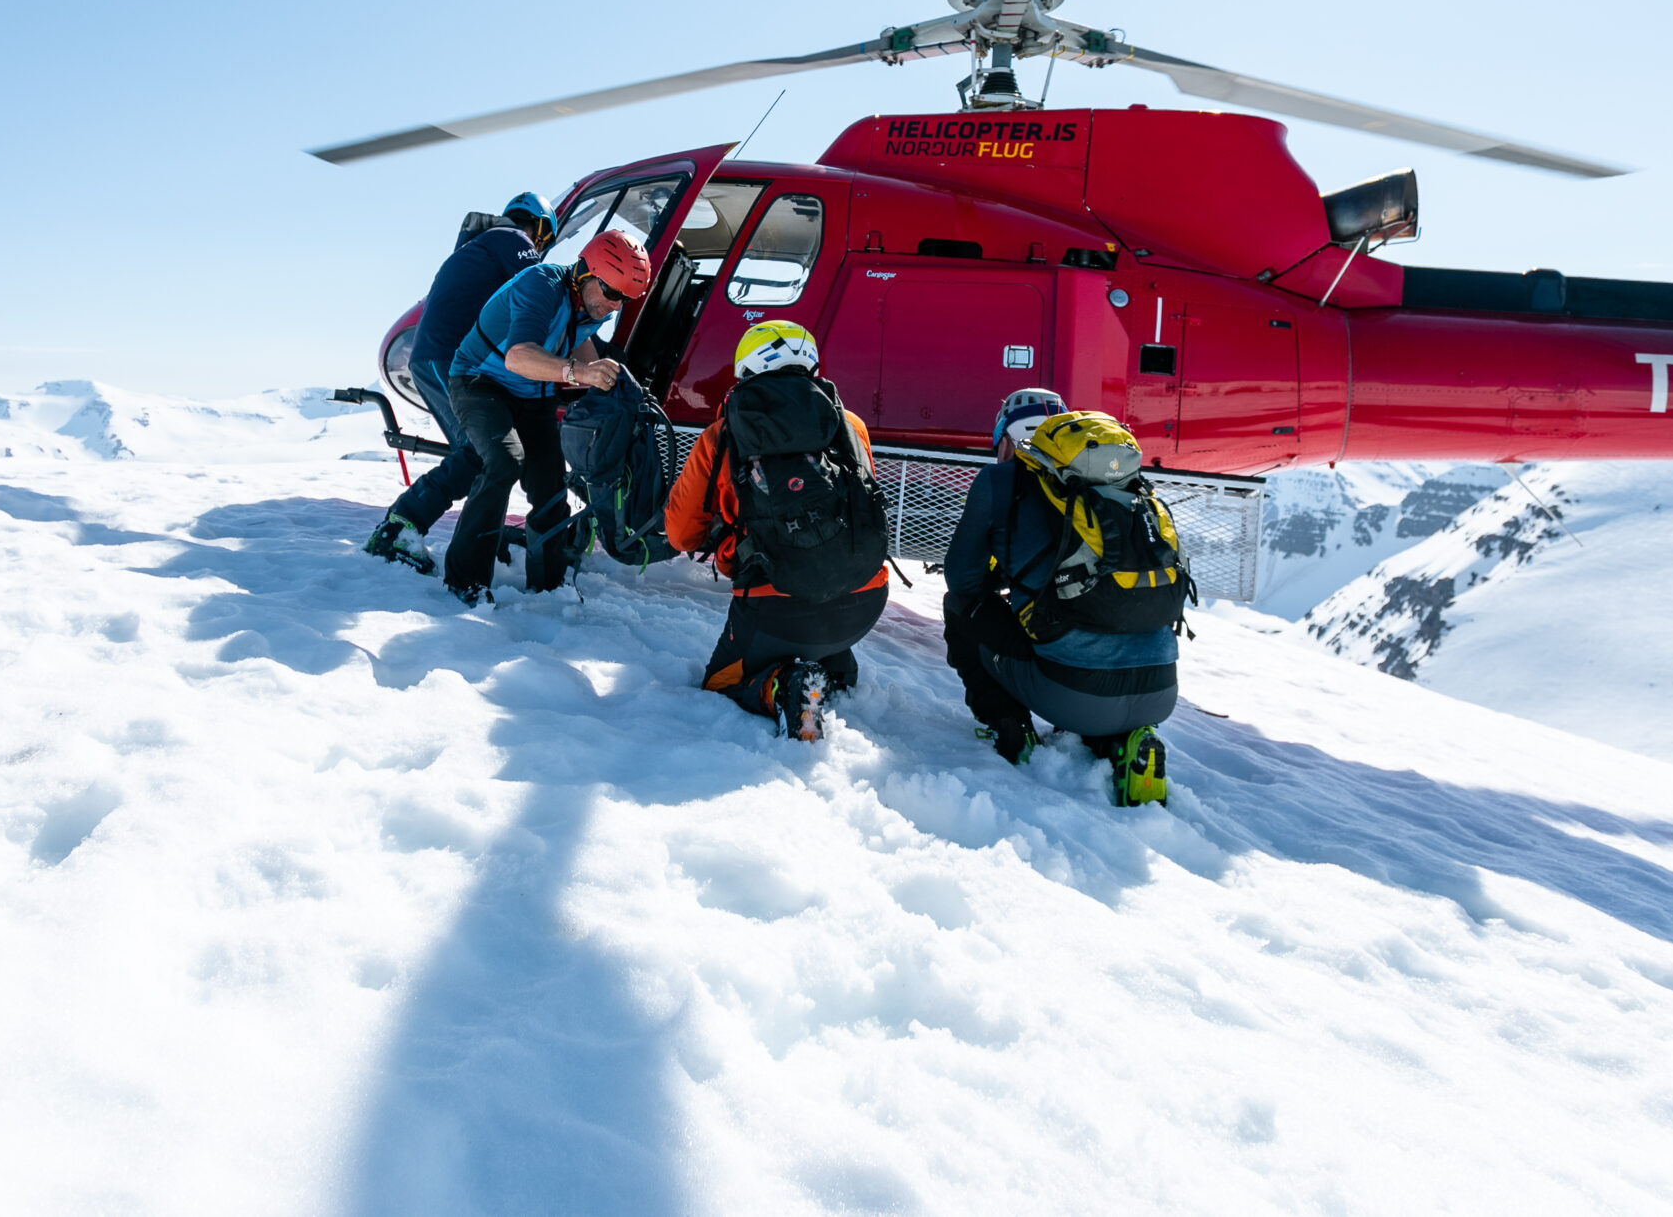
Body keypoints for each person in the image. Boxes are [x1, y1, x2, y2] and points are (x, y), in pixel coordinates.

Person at [943, 396, 1190, 806]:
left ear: (1007, 439)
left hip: (1071, 697)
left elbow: (962, 580)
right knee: (1088, 634)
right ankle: (1125, 743)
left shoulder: (1000, 481)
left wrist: (1011, 575)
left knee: (961, 607)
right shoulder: (1130, 487)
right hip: (1160, 692)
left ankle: (1008, 726)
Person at [667, 320, 890, 742]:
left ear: (746, 369)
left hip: (776, 609)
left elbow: (681, 535)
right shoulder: (850, 426)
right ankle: (834, 666)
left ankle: (785, 686)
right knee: (822, 589)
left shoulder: (721, 436)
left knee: (721, 683)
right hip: (864, 599)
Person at [439, 230, 653, 603]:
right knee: (504, 462)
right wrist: (580, 373)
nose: (615, 306)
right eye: (612, 293)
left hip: (531, 395)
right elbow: (518, 356)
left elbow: (578, 340)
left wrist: (612, 382)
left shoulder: (590, 303)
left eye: (625, 299)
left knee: (550, 488)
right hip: (480, 383)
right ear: (587, 272)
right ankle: (464, 581)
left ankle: (549, 586)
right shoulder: (541, 285)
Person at [365, 194, 557, 573]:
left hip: (443, 356)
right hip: (446, 357)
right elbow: (542, 290)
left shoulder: (484, 247)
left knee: (483, 458)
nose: (539, 247)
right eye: (543, 240)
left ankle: (479, 538)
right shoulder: (512, 239)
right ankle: (400, 526)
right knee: (484, 453)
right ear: (539, 228)